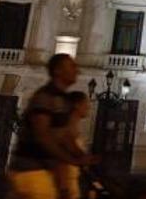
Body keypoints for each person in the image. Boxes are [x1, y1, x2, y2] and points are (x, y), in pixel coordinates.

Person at [7, 54, 95, 199]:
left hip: (45, 172)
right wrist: (73, 160)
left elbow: (67, 136)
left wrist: (83, 156)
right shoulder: (45, 97)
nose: (77, 71)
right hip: (31, 170)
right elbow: (43, 136)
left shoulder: (63, 100)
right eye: (72, 66)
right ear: (58, 71)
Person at [56, 91, 90, 199]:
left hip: (72, 181)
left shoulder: (75, 128)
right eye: (86, 103)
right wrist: (63, 187)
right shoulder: (66, 129)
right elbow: (61, 160)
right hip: (65, 184)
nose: (89, 107)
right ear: (77, 105)